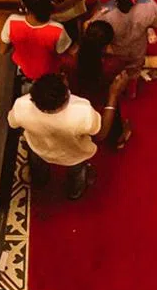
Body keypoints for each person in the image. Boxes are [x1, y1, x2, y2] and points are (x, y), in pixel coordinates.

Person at [7, 71, 127, 199]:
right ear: (65, 98)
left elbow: (12, 123)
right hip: (74, 156)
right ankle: (74, 192)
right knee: (77, 173)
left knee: (38, 167)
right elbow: (101, 134)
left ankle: (40, 180)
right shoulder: (82, 111)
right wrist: (113, 95)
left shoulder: (22, 105)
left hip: (38, 149)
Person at [67, 19, 133, 149]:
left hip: (78, 99)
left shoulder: (71, 60)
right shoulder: (113, 64)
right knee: (113, 119)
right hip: (104, 99)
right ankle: (118, 138)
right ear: (107, 44)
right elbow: (119, 84)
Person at [0, 0, 72, 82]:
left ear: (23, 3)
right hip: (49, 75)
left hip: (22, 69)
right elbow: (63, 54)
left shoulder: (12, 22)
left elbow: (2, 50)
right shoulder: (58, 30)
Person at [91, 0, 157, 71]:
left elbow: (94, 36)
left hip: (116, 54)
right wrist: (149, 29)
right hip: (138, 51)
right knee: (135, 70)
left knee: (118, 73)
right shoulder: (150, 6)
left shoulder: (104, 14)